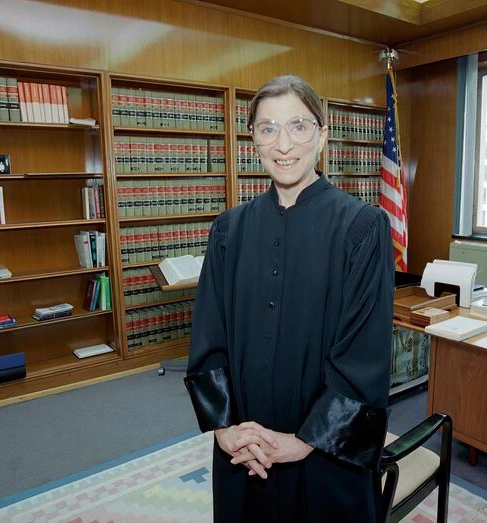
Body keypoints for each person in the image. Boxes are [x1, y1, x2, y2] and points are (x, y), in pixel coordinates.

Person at [184, 75, 393, 523]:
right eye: (267, 129)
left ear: (322, 134)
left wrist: (302, 442)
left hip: (324, 453)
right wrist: (226, 431)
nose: (283, 144)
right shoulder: (228, 231)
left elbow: (363, 356)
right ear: (253, 140)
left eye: (298, 126)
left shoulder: (361, 228)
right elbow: (209, 337)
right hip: (245, 448)